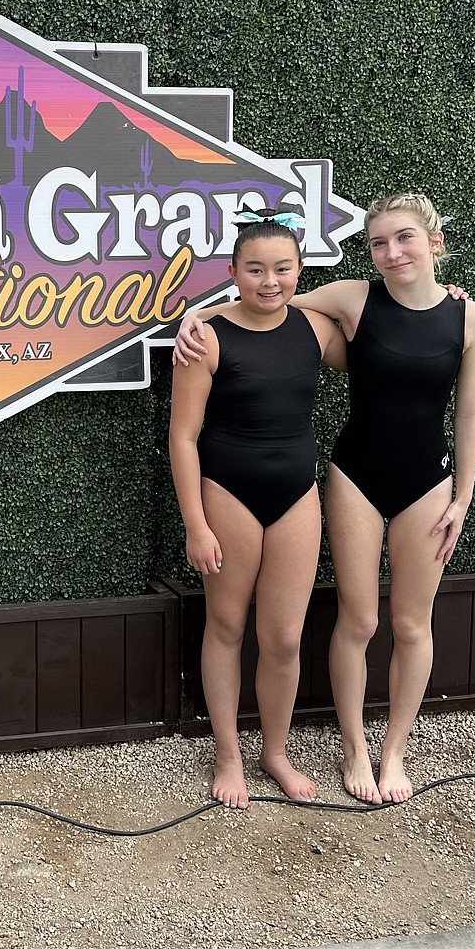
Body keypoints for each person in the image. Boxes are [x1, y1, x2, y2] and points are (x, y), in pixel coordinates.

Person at [174, 193, 475, 805]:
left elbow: (436, 386)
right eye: (379, 243)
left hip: (359, 489)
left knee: (343, 631)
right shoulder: (246, 330)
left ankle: (330, 752)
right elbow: (259, 311)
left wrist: (463, 494)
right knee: (263, 622)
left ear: (434, 242)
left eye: (405, 238)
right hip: (287, 487)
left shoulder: (444, 321)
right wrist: (195, 315)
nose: (392, 252)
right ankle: (263, 754)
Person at [169, 210, 347, 809]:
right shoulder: (207, 337)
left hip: (297, 495)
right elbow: (183, 438)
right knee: (226, 626)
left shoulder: (317, 331)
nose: (269, 281)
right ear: (232, 272)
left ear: (301, 270)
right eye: (255, 269)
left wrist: (444, 291)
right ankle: (227, 753)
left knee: (285, 638)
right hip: (228, 494)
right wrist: (195, 523)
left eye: (283, 269)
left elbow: (392, 324)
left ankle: (275, 751)